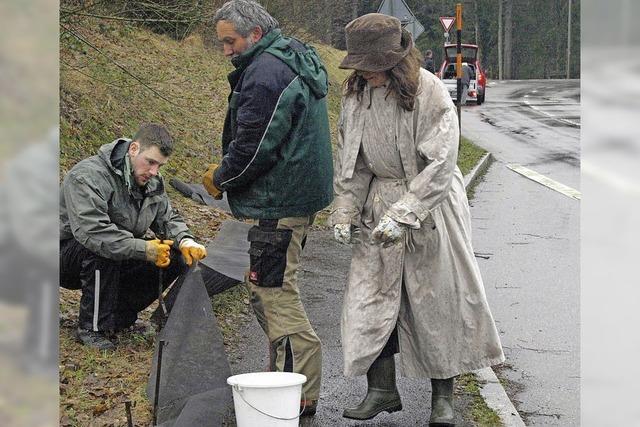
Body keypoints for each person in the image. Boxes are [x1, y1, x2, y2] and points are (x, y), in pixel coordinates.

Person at [331, 14, 504, 425]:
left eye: (373, 65)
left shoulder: (429, 92)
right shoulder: (356, 96)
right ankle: (381, 388)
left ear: (393, 61)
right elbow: (352, 163)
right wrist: (344, 210)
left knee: (435, 301)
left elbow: (441, 163)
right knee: (370, 300)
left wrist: (406, 212)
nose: (366, 73)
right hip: (379, 203)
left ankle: (442, 399)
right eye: (361, 65)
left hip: (432, 206)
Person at [202, 0, 333, 416]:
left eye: (230, 41)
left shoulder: (265, 74)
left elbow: (254, 146)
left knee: (273, 291)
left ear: (255, 34)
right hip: (295, 196)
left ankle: (295, 390)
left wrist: (221, 177)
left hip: (280, 200)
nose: (226, 50)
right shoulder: (291, 54)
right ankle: (289, 376)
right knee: (266, 286)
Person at [60, 123, 207, 351]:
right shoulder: (87, 176)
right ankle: (92, 328)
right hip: (63, 255)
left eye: (160, 165)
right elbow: (93, 233)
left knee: (175, 256)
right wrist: (145, 249)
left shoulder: (152, 182)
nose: (154, 171)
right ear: (134, 149)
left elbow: (167, 219)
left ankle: (118, 319)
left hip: (117, 249)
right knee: (103, 248)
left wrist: (186, 241)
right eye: (150, 162)